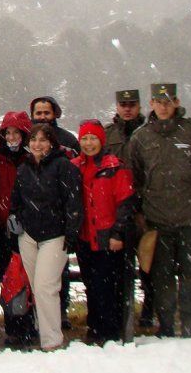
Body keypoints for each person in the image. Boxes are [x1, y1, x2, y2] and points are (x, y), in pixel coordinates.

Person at [128, 83, 191, 338]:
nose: (164, 106)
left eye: (168, 102)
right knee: (161, 276)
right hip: (158, 220)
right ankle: (165, 323)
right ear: (152, 104)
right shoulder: (142, 137)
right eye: (159, 101)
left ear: (176, 102)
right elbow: (135, 174)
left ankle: (189, 323)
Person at [9, 123, 82, 350]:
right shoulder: (24, 169)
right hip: (29, 236)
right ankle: (43, 330)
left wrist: (71, 232)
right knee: (35, 285)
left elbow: (73, 202)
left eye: (42, 140)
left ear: (51, 142)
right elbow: (17, 201)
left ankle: (52, 340)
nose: (37, 144)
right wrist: (16, 224)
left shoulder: (64, 167)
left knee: (45, 286)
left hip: (55, 236)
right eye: (33, 140)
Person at [71, 120, 135, 343]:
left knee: (107, 285)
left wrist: (118, 233)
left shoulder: (114, 166)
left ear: (102, 140)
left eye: (93, 138)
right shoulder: (75, 165)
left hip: (107, 237)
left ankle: (109, 329)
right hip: (85, 236)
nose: (89, 144)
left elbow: (125, 203)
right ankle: (95, 327)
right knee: (91, 284)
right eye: (85, 139)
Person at [104, 89, 154, 328]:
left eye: (132, 104)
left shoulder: (150, 133)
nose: (127, 108)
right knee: (119, 267)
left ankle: (148, 310)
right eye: (123, 104)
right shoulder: (107, 134)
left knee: (148, 265)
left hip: (146, 211)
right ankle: (122, 314)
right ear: (117, 107)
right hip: (117, 212)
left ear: (139, 106)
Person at [0, 111, 37, 347]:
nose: (13, 137)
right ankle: (13, 326)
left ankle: (32, 324)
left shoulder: (32, 159)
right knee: (10, 277)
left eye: (17, 132)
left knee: (33, 278)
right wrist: (1, 214)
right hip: (4, 229)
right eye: (9, 132)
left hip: (33, 229)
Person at [30, 95, 79, 329]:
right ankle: (37, 315)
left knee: (60, 271)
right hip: (32, 221)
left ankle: (61, 312)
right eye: (38, 113)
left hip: (57, 220)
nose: (42, 117)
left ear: (55, 114)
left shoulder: (68, 140)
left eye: (46, 112)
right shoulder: (27, 139)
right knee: (34, 275)